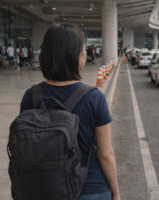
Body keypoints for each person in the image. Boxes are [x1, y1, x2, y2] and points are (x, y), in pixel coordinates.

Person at [19, 24, 120, 200]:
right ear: (77, 56)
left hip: (43, 187)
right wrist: (116, 192)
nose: (85, 54)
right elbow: (105, 155)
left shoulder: (32, 95)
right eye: (83, 50)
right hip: (89, 188)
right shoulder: (94, 98)